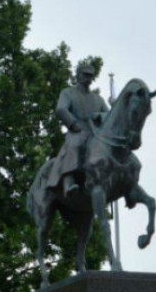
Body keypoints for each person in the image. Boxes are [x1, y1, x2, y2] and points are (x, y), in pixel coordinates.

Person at [44, 60, 109, 196]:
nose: (88, 78)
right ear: (78, 76)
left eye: (90, 76)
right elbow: (61, 109)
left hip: (95, 134)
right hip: (77, 130)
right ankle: (68, 181)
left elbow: (108, 116)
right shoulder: (68, 93)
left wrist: (101, 115)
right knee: (75, 144)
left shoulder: (98, 99)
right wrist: (73, 124)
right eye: (85, 75)